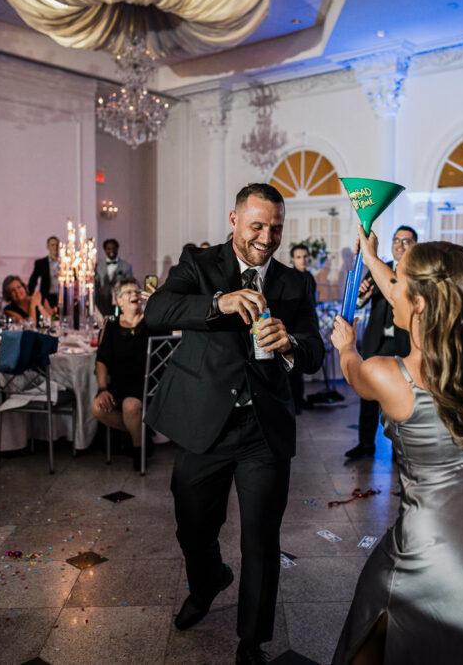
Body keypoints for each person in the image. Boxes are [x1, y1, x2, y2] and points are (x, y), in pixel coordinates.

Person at [144, 183, 324, 665]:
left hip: (264, 430)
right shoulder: (199, 265)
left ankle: (252, 640)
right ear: (234, 219)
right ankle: (206, 584)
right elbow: (156, 312)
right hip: (206, 424)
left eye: (277, 228)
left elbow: (314, 351)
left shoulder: (293, 284)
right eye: (258, 226)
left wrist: (289, 344)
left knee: (261, 538)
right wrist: (216, 304)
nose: (267, 238)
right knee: (192, 525)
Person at [330, 232, 463, 664]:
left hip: (435, 544)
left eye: (398, 282)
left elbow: (352, 369)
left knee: (371, 631)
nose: (390, 289)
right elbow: (410, 292)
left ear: (419, 303)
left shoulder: (387, 374)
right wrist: (373, 258)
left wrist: (346, 346)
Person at [344, 226, 415, 460]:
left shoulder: (417, 275)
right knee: (368, 394)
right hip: (377, 341)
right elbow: (360, 302)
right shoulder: (378, 268)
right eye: (397, 240)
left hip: (404, 344)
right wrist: (363, 296)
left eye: (406, 241)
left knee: (400, 396)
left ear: (415, 244)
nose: (400, 245)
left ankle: (399, 449)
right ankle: (365, 444)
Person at [91, 277, 152, 470]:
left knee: (130, 406)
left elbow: (176, 332)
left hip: (146, 386)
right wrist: (102, 388)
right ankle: (142, 432)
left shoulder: (151, 322)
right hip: (119, 385)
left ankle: (138, 449)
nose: (134, 295)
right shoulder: (111, 326)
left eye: (137, 292)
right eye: (128, 293)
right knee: (97, 407)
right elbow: (102, 360)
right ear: (119, 301)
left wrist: (156, 305)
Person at [289, 243, 317, 413]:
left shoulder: (310, 277)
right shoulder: (290, 277)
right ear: (293, 259)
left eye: (305, 256)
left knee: (301, 367)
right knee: (293, 367)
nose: (303, 260)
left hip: (308, 327)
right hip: (294, 328)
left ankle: (299, 399)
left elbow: (311, 304)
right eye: (299, 257)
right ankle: (294, 402)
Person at [94, 238, 133, 317]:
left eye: (113, 248)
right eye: (108, 249)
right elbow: (95, 283)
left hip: (120, 300)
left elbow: (130, 284)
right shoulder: (99, 266)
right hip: (102, 301)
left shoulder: (126, 266)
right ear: (105, 250)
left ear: (117, 249)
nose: (111, 250)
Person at [27, 236, 61, 310]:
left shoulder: (65, 262)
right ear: (48, 247)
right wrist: (28, 295)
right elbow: (33, 280)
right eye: (52, 245)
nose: (55, 247)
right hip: (47, 297)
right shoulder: (41, 263)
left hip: (61, 296)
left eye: (57, 245)